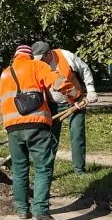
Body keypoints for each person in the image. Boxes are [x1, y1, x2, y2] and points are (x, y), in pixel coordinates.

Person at [0, 45, 78, 220]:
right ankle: (40, 211)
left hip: (12, 128)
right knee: (43, 168)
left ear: (16, 56)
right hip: (36, 124)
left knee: (19, 168)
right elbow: (58, 82)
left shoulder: (5, 74)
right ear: (30, 56)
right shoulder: (36, 66)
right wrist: (75, 93)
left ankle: (21, 208)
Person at [31, 41, 98, 175]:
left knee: (77, 135)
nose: (40, 62)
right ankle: (46, 170)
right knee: (51, 137)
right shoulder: (36, 64)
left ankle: (79, 170)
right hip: (52, 105)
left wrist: (90, 90)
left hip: (76, 102)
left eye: (42, 58)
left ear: (49, 53)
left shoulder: (65, 56)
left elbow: (84, 69)